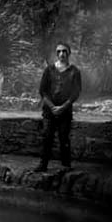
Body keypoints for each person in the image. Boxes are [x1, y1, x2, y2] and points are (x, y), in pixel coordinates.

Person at [35, 42, 82, 172]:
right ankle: (43, 164)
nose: (62, 54)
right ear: (56, 54)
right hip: (49, 111)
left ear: (69, 53)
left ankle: (66, 166)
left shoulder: (74, 71)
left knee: (64, 138)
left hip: (65, 111)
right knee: (47, 137)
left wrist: (63, 107)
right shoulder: (49, 70)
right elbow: (42, 91)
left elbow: (76, 93)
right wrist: (52, 107)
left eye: (64, 51)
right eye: (59, 51)